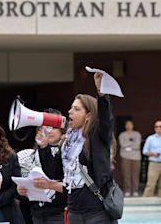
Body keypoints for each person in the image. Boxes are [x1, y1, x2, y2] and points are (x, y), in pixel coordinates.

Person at [34, 73, 117, 223]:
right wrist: (44, 146)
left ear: (88, 116)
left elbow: (106, 120)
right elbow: (53, 172)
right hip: (74, 212)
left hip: (97, 212)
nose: (70, 112)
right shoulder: (67, 143)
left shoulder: (96, 138)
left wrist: (101, 93)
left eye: (76, 109)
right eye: (71, 108)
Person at [17, 109, 68, 224]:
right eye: (42, 128)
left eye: (52, 127)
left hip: (60, 213)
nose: (47, 132)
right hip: (37, 214)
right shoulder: (29, 156)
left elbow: (51, 173)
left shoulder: (68, 153)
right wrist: (21, 192)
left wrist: (44, 147)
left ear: (62, 131)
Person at [119, 120, 142, 197]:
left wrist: (128, 145)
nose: (129, 126)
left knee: (135, 174)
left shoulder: (137, 134)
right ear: (125, 126)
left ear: (133, 125)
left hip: (136, 157)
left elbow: (137, 145)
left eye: (130, 124)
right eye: (127, 125)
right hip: (125, 156)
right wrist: (131, 144)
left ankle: (135, 190)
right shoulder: (122, 135)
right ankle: (127, 190)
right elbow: (122, 144)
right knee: (126, 174)